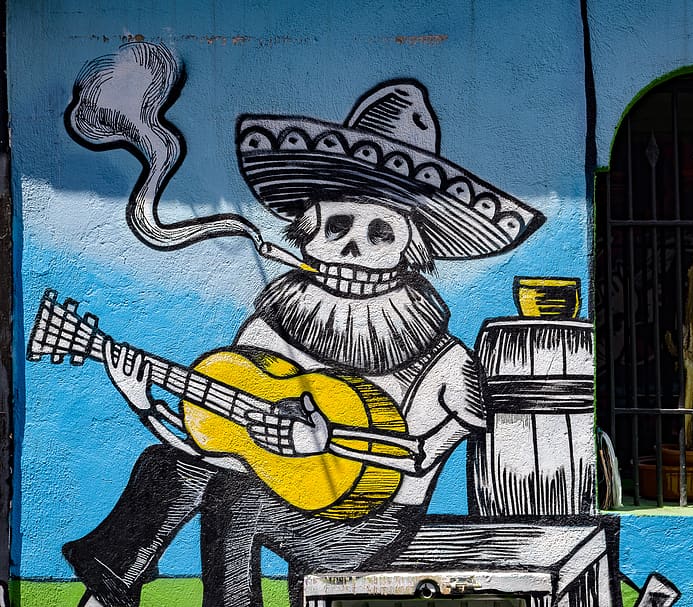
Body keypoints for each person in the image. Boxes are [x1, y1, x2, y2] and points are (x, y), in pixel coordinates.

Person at [63, 80, 544, 607]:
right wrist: (144, 403)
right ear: (308, 235)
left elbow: (419, 458)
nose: (354, 249)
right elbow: (226, 442)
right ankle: (107, 595)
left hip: (371, 526)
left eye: (380, 233)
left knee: (235, 495)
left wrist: (331, 444)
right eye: (338, 225)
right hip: (285, 500)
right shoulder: (269, 331)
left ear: (413, 247)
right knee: (167, 466)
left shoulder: (446, 362)